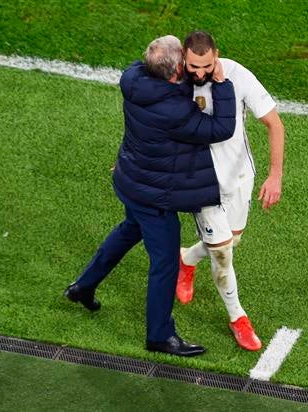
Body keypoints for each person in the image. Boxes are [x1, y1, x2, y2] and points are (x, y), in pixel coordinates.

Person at [63, 35, 236, 357]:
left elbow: (168, 81)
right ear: (174, 73)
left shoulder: (134, 78)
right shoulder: (172, 110)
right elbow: (219, 130)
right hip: (155, 196)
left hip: (132, 180)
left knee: (129, 231)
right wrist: (222, 85)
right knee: (165, 262)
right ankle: (159, 335)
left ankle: (83, 287)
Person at [177, 31, 285, 351]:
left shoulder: (237, 74)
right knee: (223, 252)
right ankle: (238, 317)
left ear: (216, 56)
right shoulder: (175, 82)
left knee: (233, 239)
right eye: (193, 66)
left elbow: (274, 124)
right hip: (202, 182)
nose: (199, 73)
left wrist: (275, 176)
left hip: (239, 177)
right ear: (184, 57)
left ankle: (186, 259)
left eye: (206, 66)